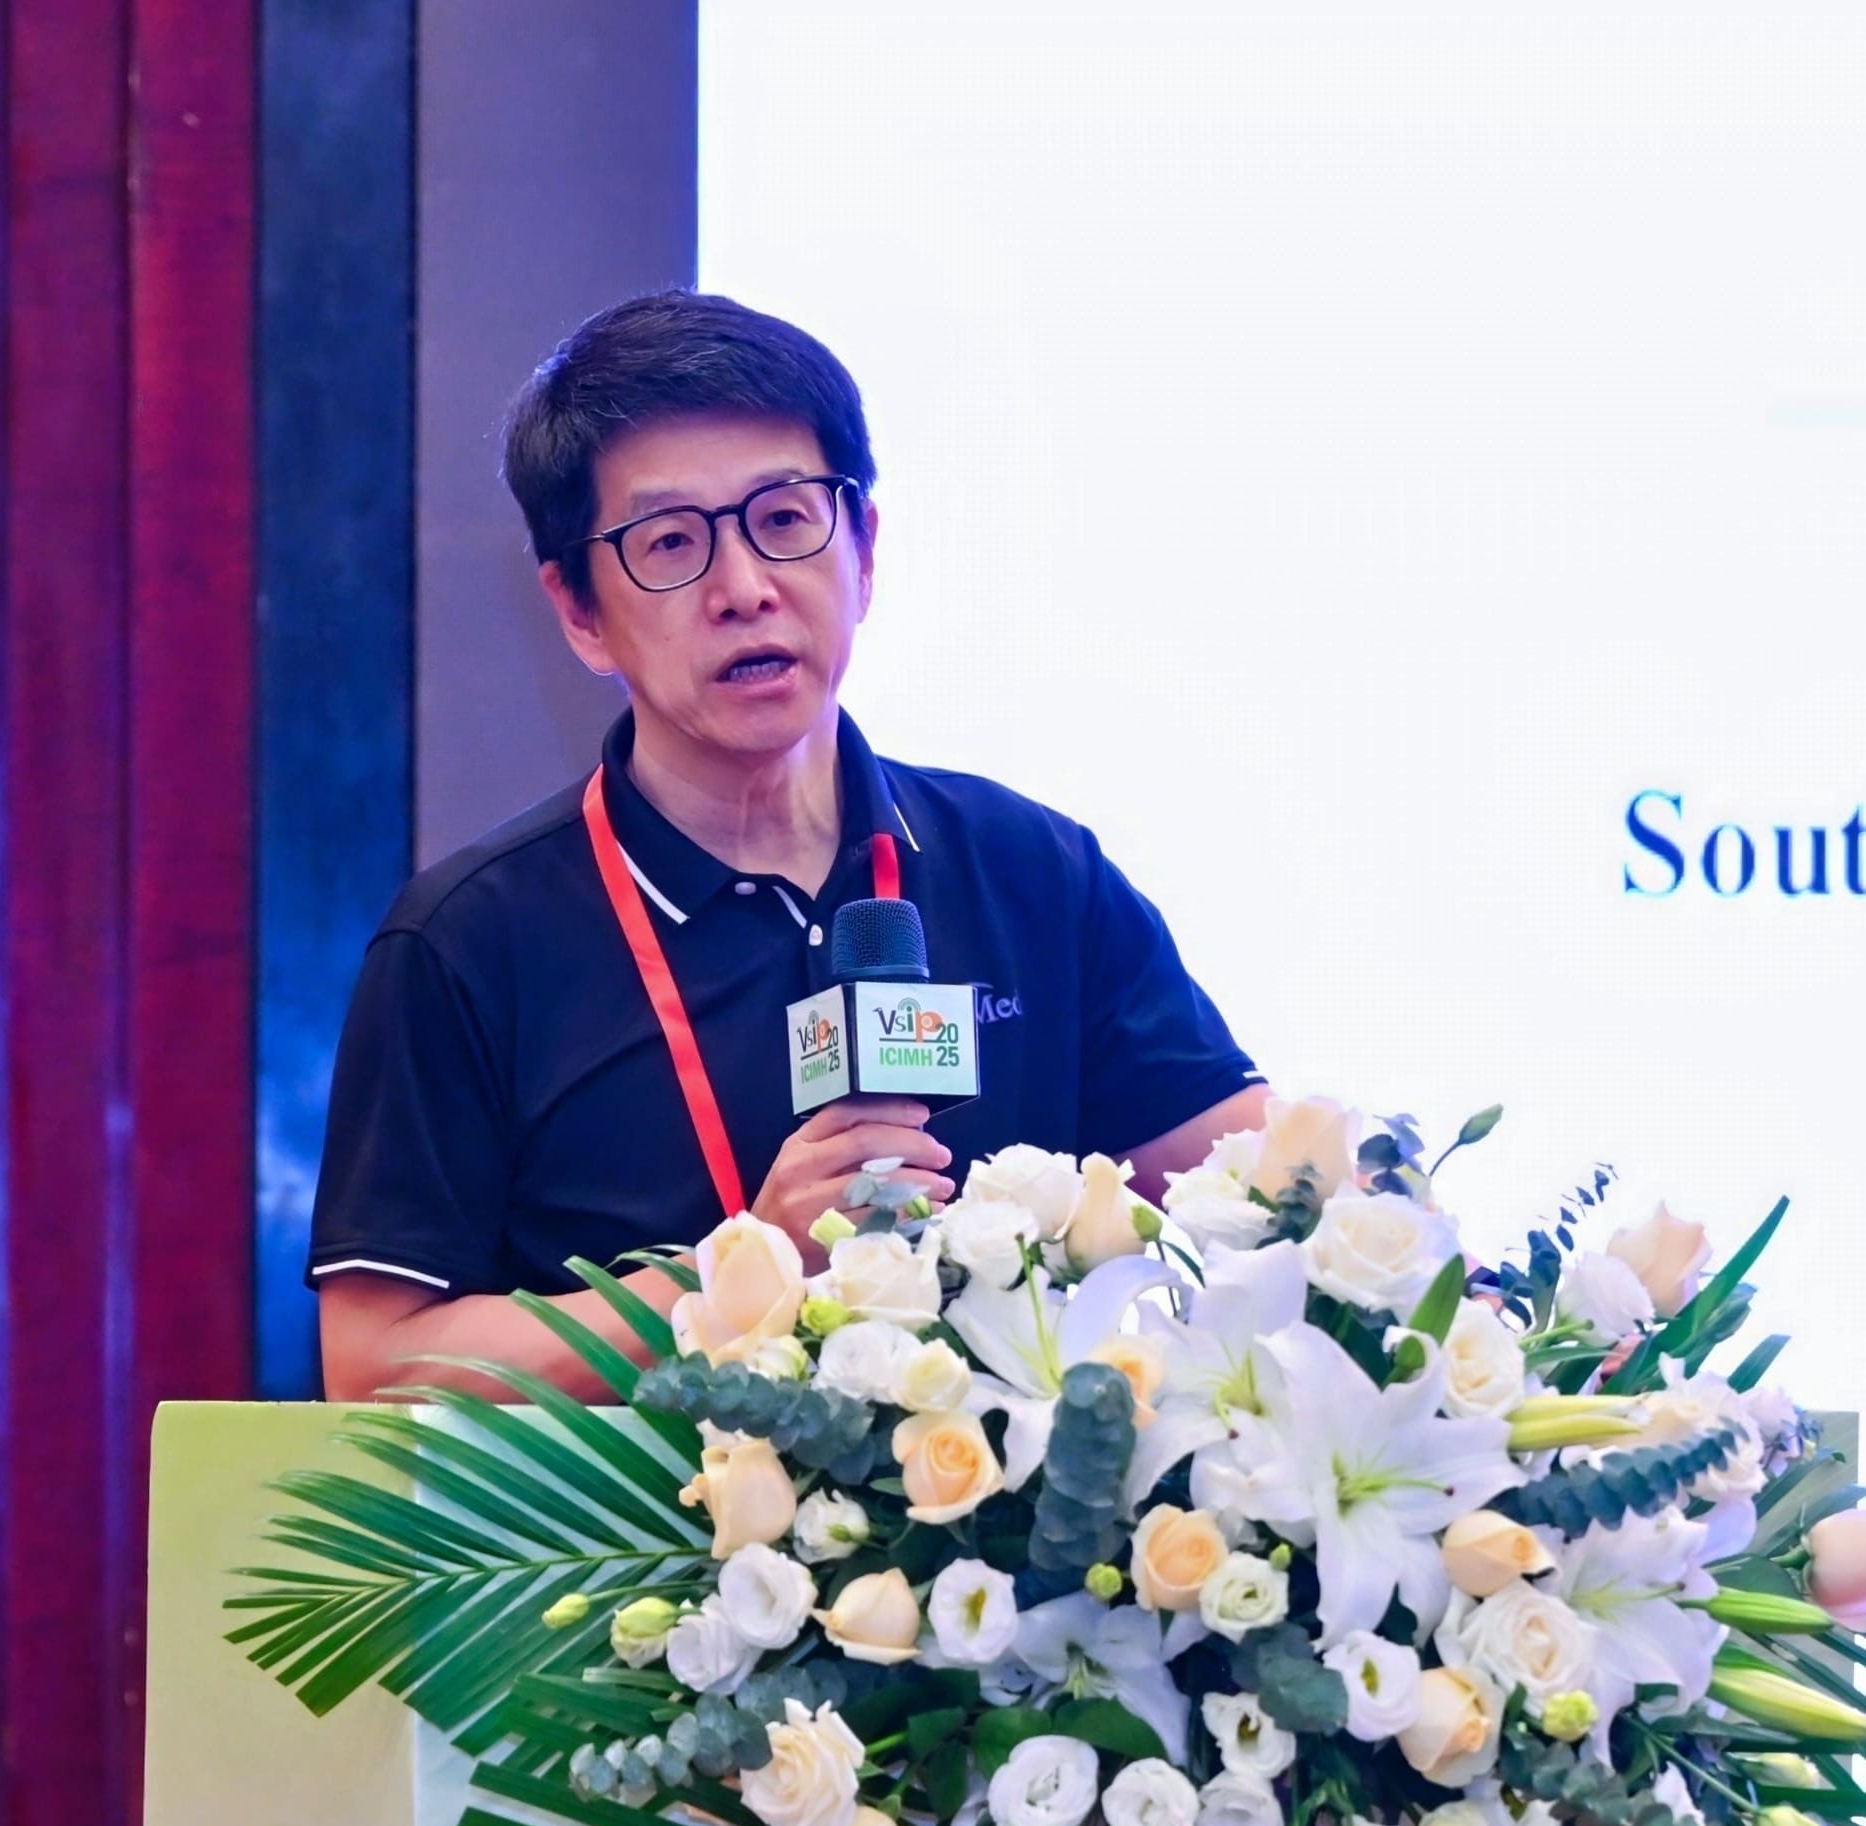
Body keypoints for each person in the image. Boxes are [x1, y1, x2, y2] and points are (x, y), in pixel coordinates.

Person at [310, 291, 1270, 1401]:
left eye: (783, 519)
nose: (745, 590)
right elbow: (376, 1365)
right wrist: (742, 1274)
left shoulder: (1029, 873)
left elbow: (1252, 1188)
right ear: (578, 611)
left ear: (863, 548)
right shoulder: (468, 942)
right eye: (671, 544)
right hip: (652, 1517)